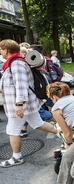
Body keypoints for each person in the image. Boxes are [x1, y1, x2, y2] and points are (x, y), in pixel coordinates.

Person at [0, 39, 58, 168]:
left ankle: (17, 157)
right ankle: (63, 131)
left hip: (21, 105)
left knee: (13, 131)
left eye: (1, 49)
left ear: (6, 50)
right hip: (26, 104)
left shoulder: (16, 64)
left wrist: (19, 104)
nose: (0, 52)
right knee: (38, 124)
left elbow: (21, 85)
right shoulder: (14, 63)